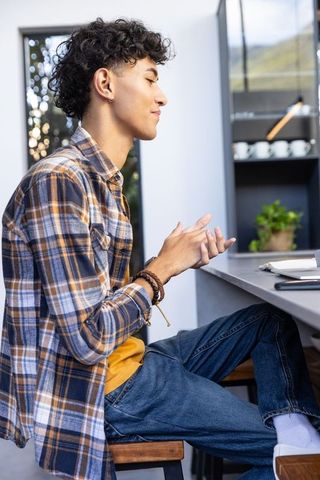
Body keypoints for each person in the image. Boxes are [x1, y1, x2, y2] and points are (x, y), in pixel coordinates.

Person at [0, 18, 320, 480]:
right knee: (305, 465)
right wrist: (161, 271)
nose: (162, 95)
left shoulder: (102, 181)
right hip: (102, 390)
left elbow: (97, 304)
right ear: (105, 83)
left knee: (269, 321)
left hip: (131, 361)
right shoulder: (59, 182)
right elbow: (87, 340)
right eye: (150, 77)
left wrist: (163, 262)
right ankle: (296, 449)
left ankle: (294, 438)